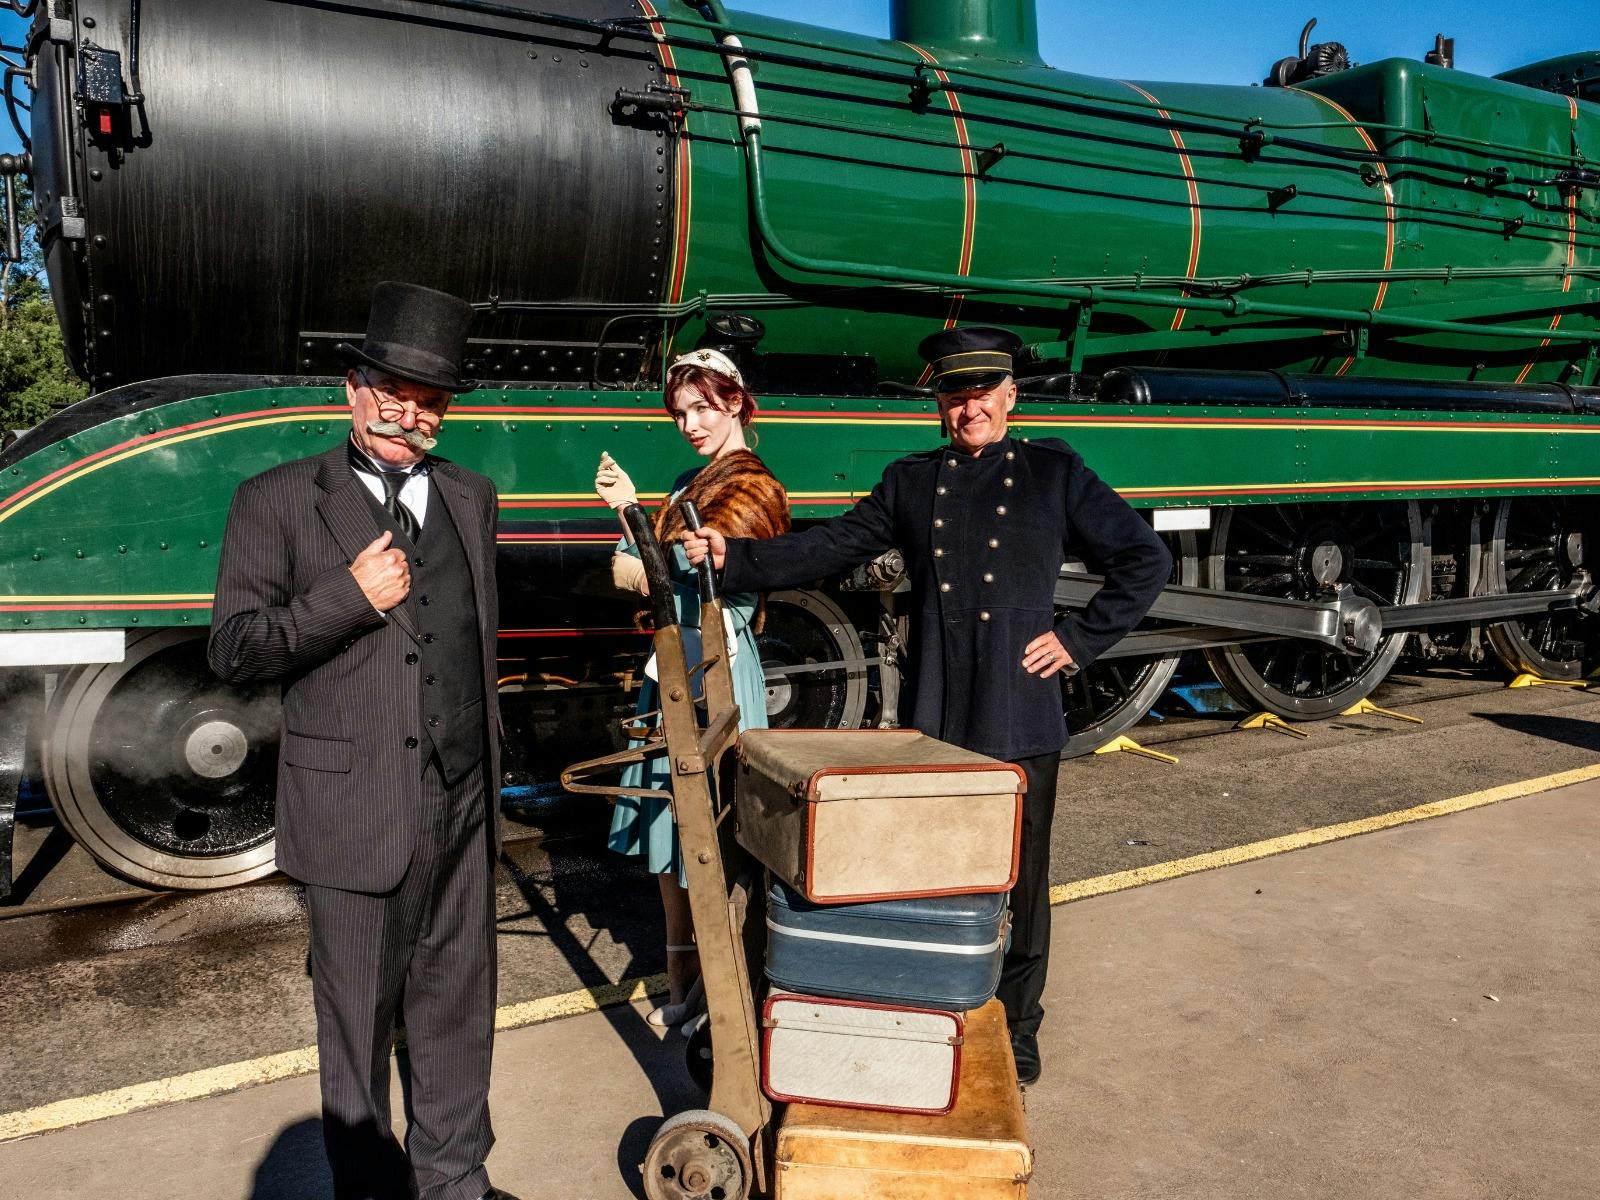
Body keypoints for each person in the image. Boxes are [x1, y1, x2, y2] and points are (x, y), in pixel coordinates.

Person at [683, 326, 1171, 1086]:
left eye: (981, 392)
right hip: (938, 712)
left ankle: (1019, 1020)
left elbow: (1145, 559)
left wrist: (1077, 641)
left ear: (1010, 394)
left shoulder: (1052, 471)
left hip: (1019, 707)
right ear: (938, 402)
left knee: (1022, 875)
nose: (967, 407)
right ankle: (937, 997)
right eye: (953, 394)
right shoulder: (912, 481)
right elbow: (832, 546)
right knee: (934, 867)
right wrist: (734, 555)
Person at [208, 282, 518, 1200]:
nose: (405, 411)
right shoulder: (274, 501)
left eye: (426, 399)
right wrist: (347, 598)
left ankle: (455, 1181)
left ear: (444, 411)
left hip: (463, 800)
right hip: (353, 811)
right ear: (352, 388)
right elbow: (234, 650)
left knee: (459, 1009)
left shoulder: (472, 495)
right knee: (358, 1026)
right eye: (389, 387)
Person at [593, 348, 789, 1029]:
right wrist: (640, 535)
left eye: (703, 407)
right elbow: (645, 573)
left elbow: (665, 573)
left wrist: (630, 518)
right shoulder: (687, 483)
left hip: (717, 672)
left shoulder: (754, 487)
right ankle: (684, 988)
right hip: (674, 665)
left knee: (710, 834)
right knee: (671, 836)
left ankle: (720, 991)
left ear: (735, 401)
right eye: (681, 412)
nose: (691, 423)